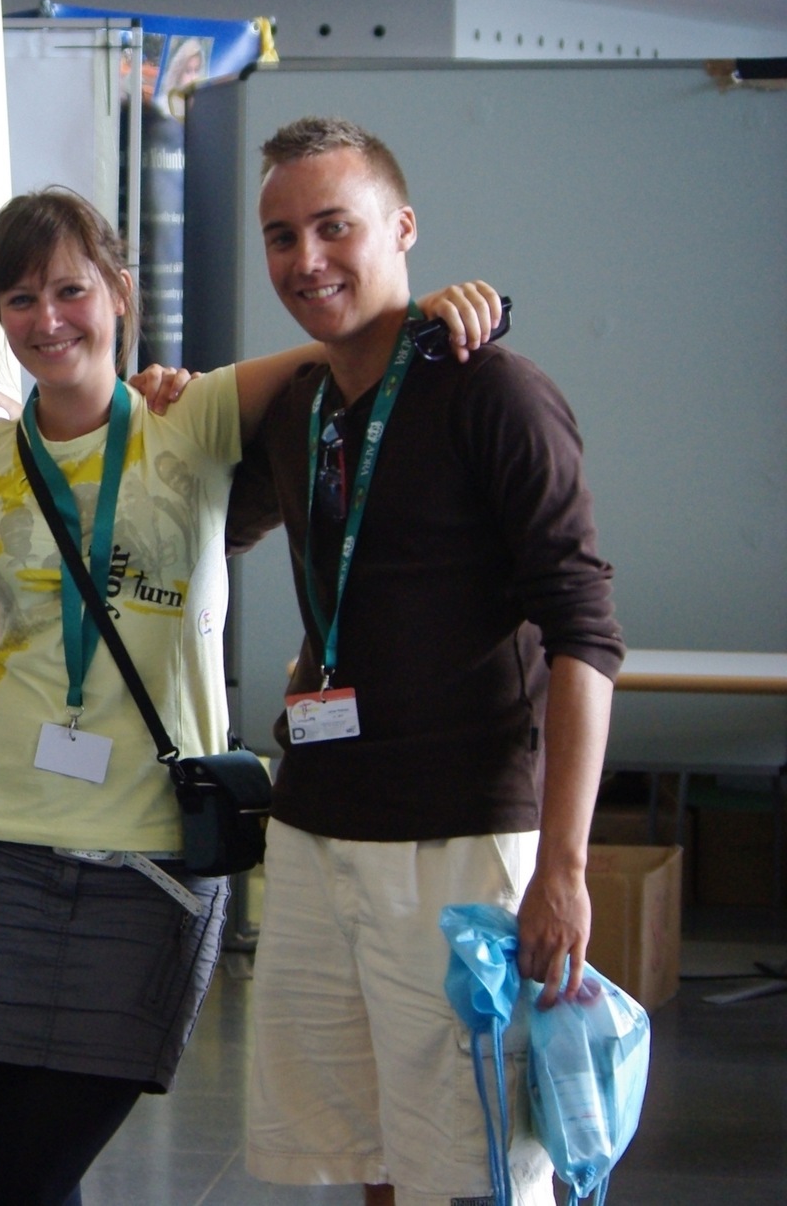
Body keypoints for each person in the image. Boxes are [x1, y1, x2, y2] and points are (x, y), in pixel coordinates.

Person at [0, 187, 499, 1206]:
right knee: (26, 1160)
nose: (47, 319)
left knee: (25, 1169)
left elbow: (349, 346)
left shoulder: (197, 416)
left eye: (70, 289)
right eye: (19, 298)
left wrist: (431, 310)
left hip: (154, 848)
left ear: (119, 291)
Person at [227, 116, 621, 1206]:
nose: (306, 259)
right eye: (280, 236)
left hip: (459, 840)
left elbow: (587, 631)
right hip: (317, 825)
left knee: (477, 1164)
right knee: (369, 1154)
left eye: (334, 227)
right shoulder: (301, 408)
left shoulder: (495, 393)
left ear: (402, 228)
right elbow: (195, 524)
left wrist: (565, 867)